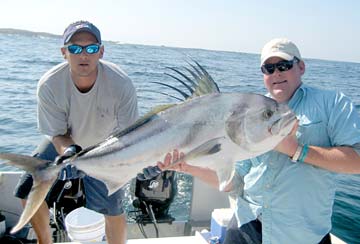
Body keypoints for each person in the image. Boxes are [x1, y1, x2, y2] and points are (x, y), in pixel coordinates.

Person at [148, 38, 360, 244]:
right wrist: (186, 167)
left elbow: (357, 162)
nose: (276, 73)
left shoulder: (332, 103)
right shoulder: (249, 113)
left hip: (302, 236)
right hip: (246, 225)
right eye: (268, 69)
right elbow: (235, 183)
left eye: (284, 65)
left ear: (301, 67)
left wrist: (297, 150)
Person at [14, 20, 139, 244]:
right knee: (27, 190)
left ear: (101, 51)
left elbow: (129, 136)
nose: (84, 55)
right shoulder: (49, 85)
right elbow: (57, 134)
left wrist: (137, 163)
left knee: (113, 207)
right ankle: (46, 242)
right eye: (75, 48)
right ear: (64, 52)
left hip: (107, 146)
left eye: (91, 48)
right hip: (65, 143)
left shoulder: (121, 84)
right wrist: (70, 152)